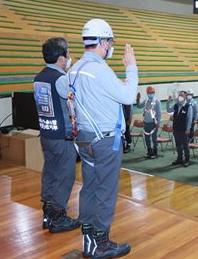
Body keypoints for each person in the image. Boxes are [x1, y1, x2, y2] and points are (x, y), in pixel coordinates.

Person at [69, 18, 136, 258]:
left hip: (85, 139)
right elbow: (128, 96)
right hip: (105, 140)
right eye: (109, 41)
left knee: (89, 188)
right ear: (103, 41)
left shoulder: (74, 68)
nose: (111, 46)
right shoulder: (100, 69)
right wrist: (131, 67)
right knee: (106, 191)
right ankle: (101, 243)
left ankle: (88, 239)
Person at [33, 37, 79, 233]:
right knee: (65, 176)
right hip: (63, 136)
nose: (70, 57)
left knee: (50, 172)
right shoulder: (61, 79)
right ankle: (58, 217)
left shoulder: (39, 77)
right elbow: (73, 104)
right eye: (68, 53)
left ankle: (48, 211)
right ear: (61, 57)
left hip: (46, 134)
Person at [167, 91, 193, 167]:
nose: (179, 96)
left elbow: (189, 118)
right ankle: (179, 158)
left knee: (185, 144)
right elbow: (169, 110)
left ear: (185, 97)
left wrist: (188, 128)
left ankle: (187, 159)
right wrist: (168, 103)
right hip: (176, 128)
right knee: (178, 144)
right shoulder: (176, 105)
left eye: (181, 95)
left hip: (184, 129)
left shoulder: (188, 106)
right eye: (179, 95)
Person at [137, 86, 161, 159]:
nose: (150, 94)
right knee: (147, 138)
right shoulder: (146, 101)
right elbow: (139, 106)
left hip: (153, 123)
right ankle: (149, 151)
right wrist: (138, 99)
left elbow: (159, 112)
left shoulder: (157, 101)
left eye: (151, 92)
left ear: (154, 93)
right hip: (146, 123)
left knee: (154, 138)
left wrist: (158, 122)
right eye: (149, 93)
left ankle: (155, 152)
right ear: (147, 93)